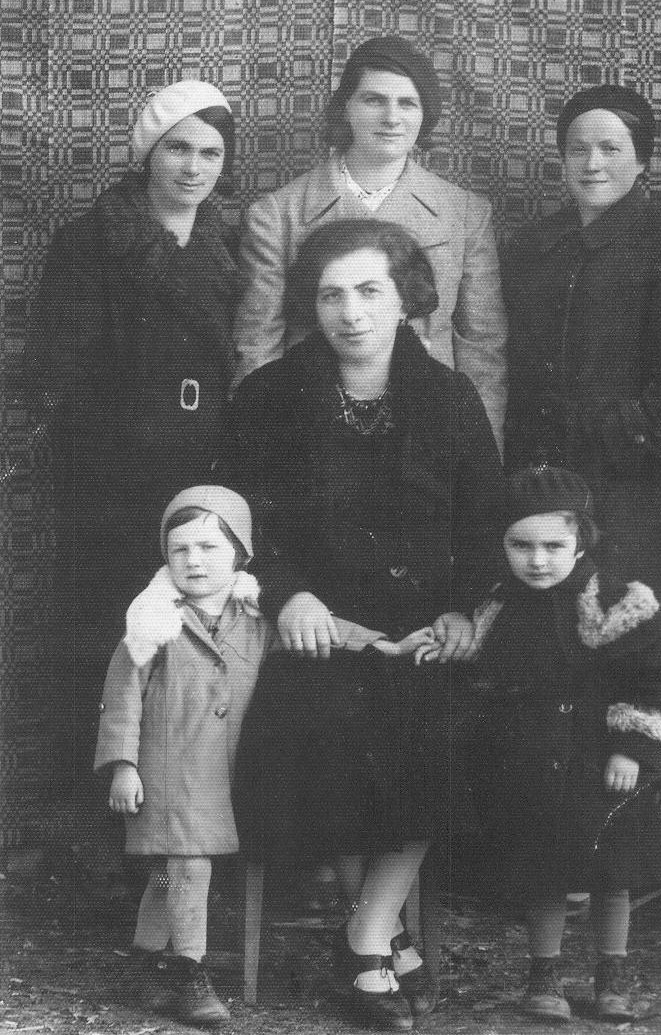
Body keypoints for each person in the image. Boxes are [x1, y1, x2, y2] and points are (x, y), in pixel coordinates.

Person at [225, 219, 505, 1031]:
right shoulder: (269, 396)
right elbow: (243, 521)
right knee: (329, 727)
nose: (350, 312)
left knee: (432, 730)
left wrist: (460, 609)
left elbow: (483, 523)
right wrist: (287, 595)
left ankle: (367, 931)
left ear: (406, 299)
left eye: (370, 291)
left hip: (419, 634)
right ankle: (376, 934)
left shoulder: (449, 398)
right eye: (331, 294)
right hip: (314, 629)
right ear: (312, 305)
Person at [95, 484, 413, 1028]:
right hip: (168, 772)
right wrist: (122, 765)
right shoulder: (151, 621)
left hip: (225, 773)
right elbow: (120, 698)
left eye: (208, 548)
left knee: (171, 873)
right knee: (188, 870)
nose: (193, 561)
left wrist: (384, 644)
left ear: (241, 554)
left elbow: (327, 631)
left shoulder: (255, 615)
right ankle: (190, 976)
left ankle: (145, 963)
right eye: (179, 550)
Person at [28, 80, 240, 786]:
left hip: (202, 469)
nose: (192, 168)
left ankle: (178, 818)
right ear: (148, 153)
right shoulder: (92, 242)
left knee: (193, 637)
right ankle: (92, 831)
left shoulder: (230, 243)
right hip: (112, 477)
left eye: (209, 153)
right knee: (108, 636)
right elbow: (57, 368)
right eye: (176, 148)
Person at [458, 466, 661, 1023]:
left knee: (613, 872)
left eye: (554, 546)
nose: (538, 560)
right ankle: (544, 973)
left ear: (583, 542)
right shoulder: (494, 609)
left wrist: (630, 748)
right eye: (521, 545)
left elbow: (650, 681)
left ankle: (612, 973)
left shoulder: (619, 604)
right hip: (531, 762)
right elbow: (483, 684)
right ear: (502, 545)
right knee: (543, 871)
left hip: (600, 762)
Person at [231, 34, 508, 451]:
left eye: (407, 103)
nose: (392, 117)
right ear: (347, 108)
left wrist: (481, 461)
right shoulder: (276, 215)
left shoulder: (466, 214)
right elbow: (257, 347)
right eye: (374, 100)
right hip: (313, 436)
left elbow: (482, 349)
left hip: (428, 438)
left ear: (424, 115)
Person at [501, 84, 661, 613]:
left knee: (621, 632)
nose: (592, 164)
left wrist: (601, 447)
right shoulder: (530, 246)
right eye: (577, 148)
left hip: (623, 486)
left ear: (642, 159)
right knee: (531, 638)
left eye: (611, 148)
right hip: (529, 483)